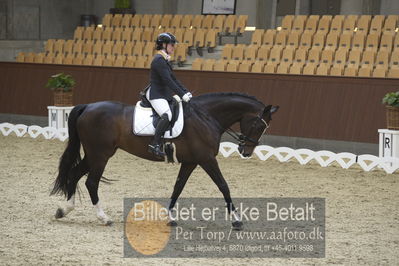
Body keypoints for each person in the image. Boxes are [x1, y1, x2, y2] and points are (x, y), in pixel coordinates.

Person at [146, 32, 192, 158]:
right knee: (167, 115)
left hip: (163, 94)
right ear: (164, 45)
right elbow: (168, 81)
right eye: (171, 45)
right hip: (156, 94)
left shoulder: (165, 60)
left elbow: (174, 79)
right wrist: (182, 95)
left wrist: (185, 91)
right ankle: (154, 145)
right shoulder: (158, 60)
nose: (173, 47)